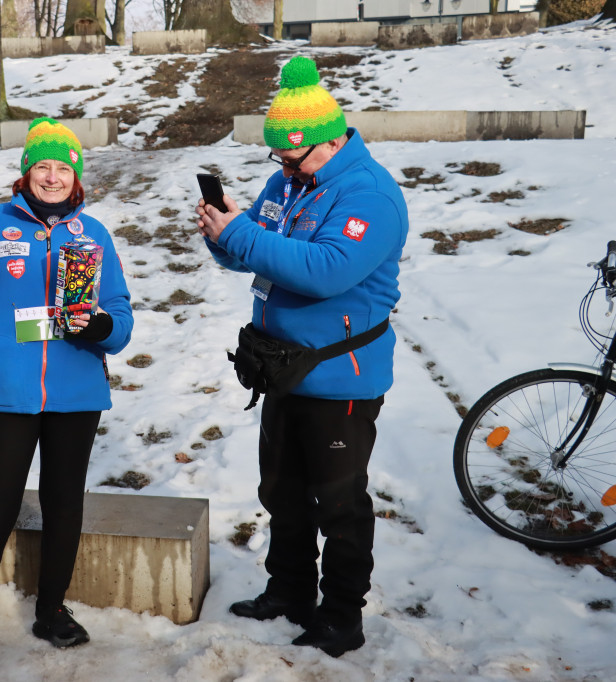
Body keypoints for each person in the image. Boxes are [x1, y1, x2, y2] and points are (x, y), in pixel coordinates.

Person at [195, 56, 408, 658]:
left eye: (294, 158)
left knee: (338, 503)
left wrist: (243, 236)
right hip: (283, 366)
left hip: (341, 375)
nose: (284, 169)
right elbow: (252, 253)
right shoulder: (288, 182)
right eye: (281, 160)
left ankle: (342, 615)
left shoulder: (370, 194)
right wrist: (224, 234)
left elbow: (326, 271)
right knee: (281, 493)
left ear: (330, 140)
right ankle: (289, 589)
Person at [0, 118, 133, 678]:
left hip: (75, 392)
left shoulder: (94, 236)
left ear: (77, 176)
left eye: (64, 167)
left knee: (65, 505)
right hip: (7, 392)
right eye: (44, 166)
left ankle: (52, 607)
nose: (54, 176)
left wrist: (98, 325)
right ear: (26, 172)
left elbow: (121, 317)